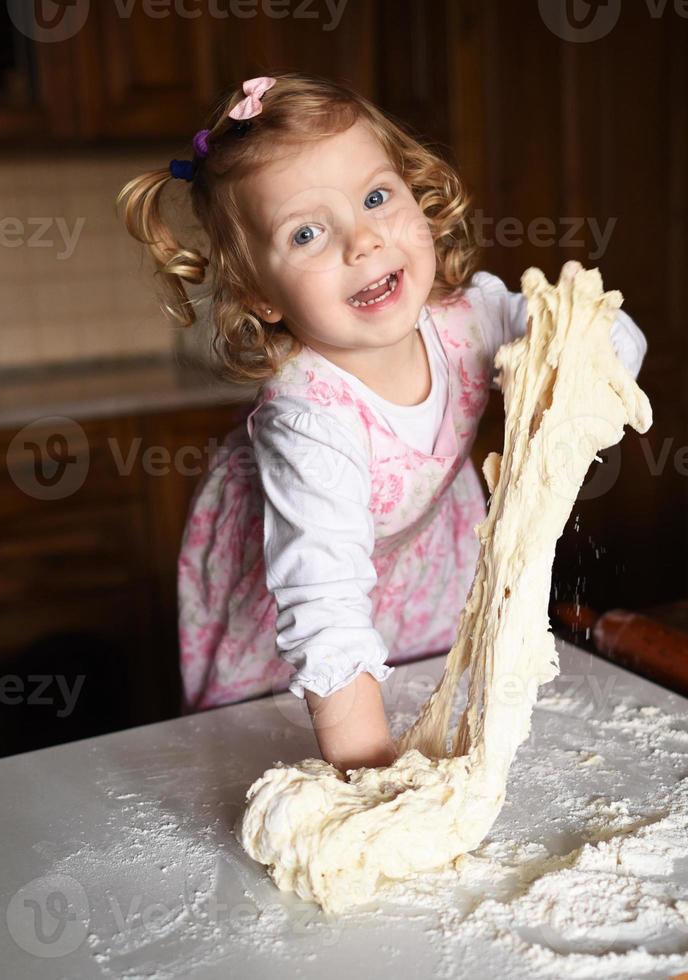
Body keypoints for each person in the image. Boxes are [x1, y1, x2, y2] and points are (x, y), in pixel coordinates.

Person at [118, 73, 646, 774]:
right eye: (307, 232)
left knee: (426, 697)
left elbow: (591, 332)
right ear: (259, 294)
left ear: (416, 192)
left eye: (375, 197)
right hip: (291, 568)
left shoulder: (473, 315)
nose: (362, 241)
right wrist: (373, 785)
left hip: (424, 553)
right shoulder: (306, 417)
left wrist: (594, 366)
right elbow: (326, 612)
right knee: (265, 746)